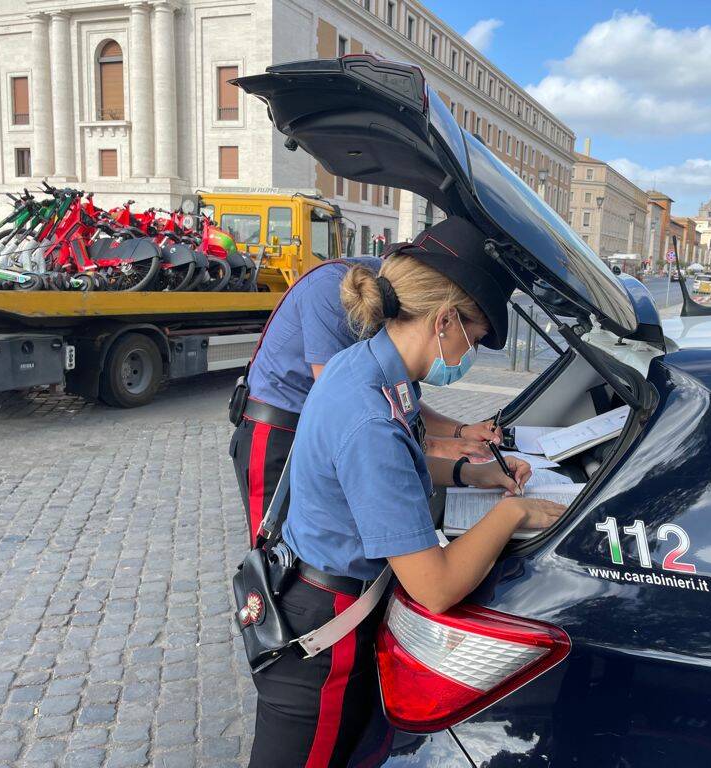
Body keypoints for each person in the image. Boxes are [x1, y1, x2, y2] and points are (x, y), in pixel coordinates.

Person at [246, 218, 566, 767]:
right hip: (325, 634)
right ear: (445, 321)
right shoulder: (370, 414)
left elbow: (394, 472)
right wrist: (512, 512)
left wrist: (470, 474)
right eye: (477, 339)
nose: (475, 352)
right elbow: (435, 586)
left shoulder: (370, 368)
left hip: (324, 598)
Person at [229, 224, 507, 547]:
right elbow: (356, 417)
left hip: (325, 430)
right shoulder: (334, 295)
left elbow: (400, 405)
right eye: (473, 339)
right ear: (442, 312)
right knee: (273, 547)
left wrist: (460, 432)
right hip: (278, 427)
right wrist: (439, 449)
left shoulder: (400, 314)